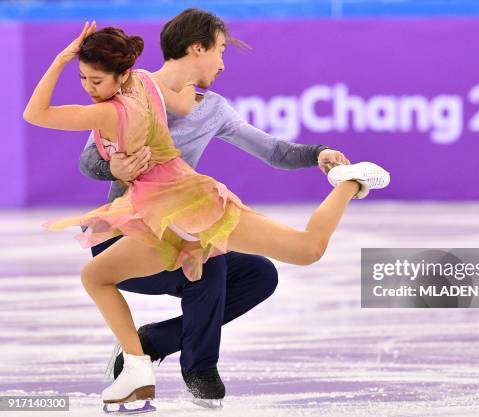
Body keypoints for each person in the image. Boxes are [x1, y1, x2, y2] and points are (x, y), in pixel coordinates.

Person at [23, 18, 389, 413]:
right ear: (198, 48)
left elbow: (270, 149)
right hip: (138, 223)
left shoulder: (177, 101)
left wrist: (318, 153)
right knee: (216, 260)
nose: (223, 63)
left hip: (182, 211)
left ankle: (148, 353)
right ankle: (179, 369)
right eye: (220, 50)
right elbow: (91, 159)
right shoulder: (139, 88)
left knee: (268, 266)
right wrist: (116, 168)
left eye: (94, 80)